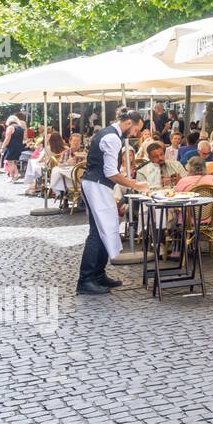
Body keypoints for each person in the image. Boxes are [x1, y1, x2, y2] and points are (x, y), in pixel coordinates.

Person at [78, 109, 148, 295]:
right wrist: (134, 184)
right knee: (97, 232)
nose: (135, 134)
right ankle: (86, 280)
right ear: (127, 123)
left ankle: (98, 275)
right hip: (97, 185)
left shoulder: (110, 134)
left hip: (97, 184)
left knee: (105, 229)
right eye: (135, 129)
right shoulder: (113, 138)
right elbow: (110, 172)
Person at [1, 114, 26, 182]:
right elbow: (24, 138)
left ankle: (13, 176)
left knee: (10, 162)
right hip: (19, 146)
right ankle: (16, 174)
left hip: (11, 147)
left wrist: (3, 147)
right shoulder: (21, 128)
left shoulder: (10, 128)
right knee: (13, 161)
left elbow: (7, 139)